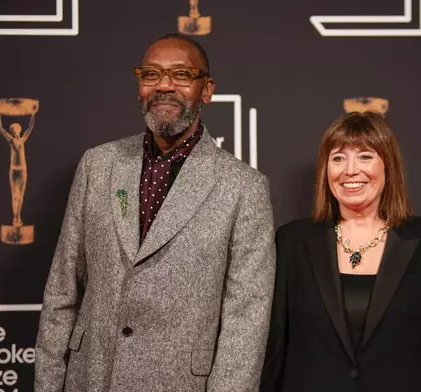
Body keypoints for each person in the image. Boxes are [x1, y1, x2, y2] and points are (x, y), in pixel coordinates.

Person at [34, 33, 275, 392]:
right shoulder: (98, 165)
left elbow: (245, 323)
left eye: (181, 75)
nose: (164, 85)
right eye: (151, 75)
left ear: (206, 89)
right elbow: (62, 293)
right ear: (139, 86)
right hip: (91, 379)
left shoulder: (243, 187)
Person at [260, 111, 421, 391]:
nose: (350, 170)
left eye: (365, 156)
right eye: (338, 158)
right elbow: (273, 348)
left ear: (388, 165)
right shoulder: (292, 241)